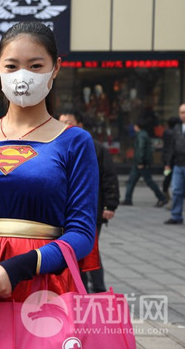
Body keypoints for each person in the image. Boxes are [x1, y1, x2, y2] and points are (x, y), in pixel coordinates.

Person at [0, 22, 98, 347]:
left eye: (35, 65)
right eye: (12, 66)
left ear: (55, 68)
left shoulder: (75, 141)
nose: (22, 76)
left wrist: (18, 268)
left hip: (46, 281)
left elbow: (83, 233)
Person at [59, 110, 119, 293]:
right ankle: (81, 288)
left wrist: (110, 205)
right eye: (61, 123)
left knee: (90, 250)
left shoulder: (95, 147)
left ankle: (99, 289)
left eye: (69, 122)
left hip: (91, 210)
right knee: (73, 251)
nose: (64, 126)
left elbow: (109, 177)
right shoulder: (57, 145)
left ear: (80, 125)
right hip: (65, 211)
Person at [122, 118, 167, 207]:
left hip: (141, 164)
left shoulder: (141, 136)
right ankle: (128, 199)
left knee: (148, 181)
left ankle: (162, 198)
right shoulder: (143, 134)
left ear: (137, 126)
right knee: (132, 181)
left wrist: (140, 161)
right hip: (140, 163)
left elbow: (141, 149)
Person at [164, 103, 185, 225]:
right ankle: (176, 215)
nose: (183, 115)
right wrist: (168, 163)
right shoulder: (177, 128)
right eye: (181, 112)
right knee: (176, 190)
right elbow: (172, 147)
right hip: (178, 163)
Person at [162, 116, 181, 200]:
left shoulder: (166, 132)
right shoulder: (174, 133)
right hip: (172, 158)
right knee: (171, 175)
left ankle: (165, 191)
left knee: (167, 175)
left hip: (166, 158)